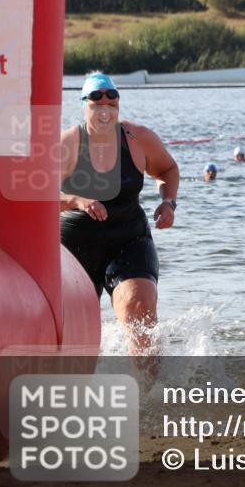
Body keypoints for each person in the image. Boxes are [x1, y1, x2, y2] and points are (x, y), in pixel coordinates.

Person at [59, 72, 180, 358]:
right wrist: (77, 199)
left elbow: (167, 170)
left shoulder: (138, 138)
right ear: (84, 104)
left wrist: (168, 202)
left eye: (112, 100)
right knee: (75, 331)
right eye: (96, 99)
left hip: (128, 237)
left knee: (140, 310)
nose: (105, 106)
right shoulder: (67, 143)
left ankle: (147, 397)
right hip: (75, 245)